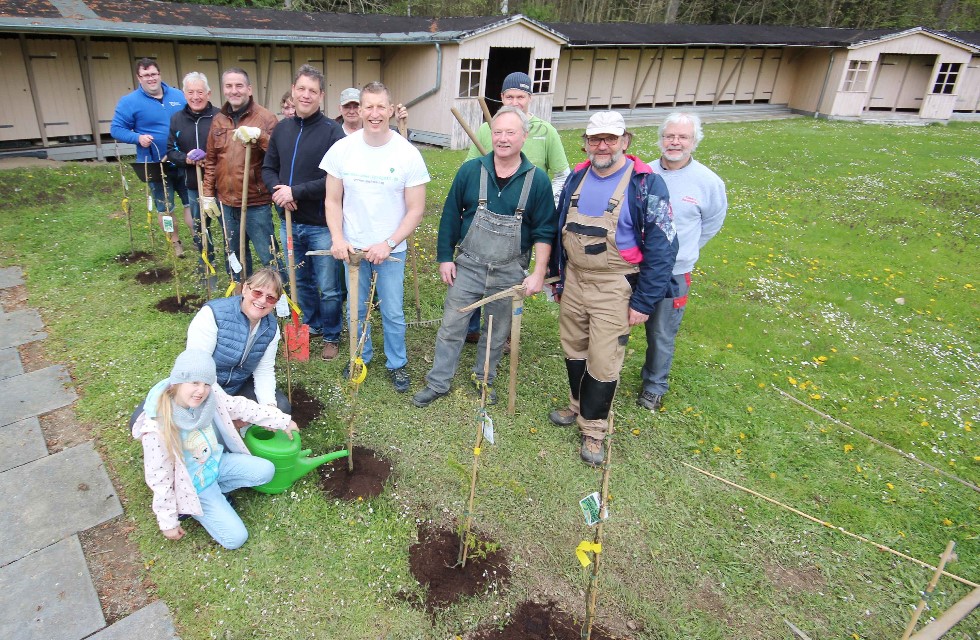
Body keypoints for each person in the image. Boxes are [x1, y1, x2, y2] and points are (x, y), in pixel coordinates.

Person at [548, 112, 677, 465]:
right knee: (573, 347)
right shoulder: (576, 176)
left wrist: (645, 300)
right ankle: (577, 407)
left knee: (604, 359)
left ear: (625, 141)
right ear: (586, 143)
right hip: (574, 278)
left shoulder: (645, 184)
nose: (602, 146)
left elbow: (664, 247)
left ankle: (593, 429)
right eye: (595, 139)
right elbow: (559, 227)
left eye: (610, 139)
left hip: (614, 285)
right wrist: (556, 276)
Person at [411, 107, 556, 408]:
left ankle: (483, 380)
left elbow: (544, 231)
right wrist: (444, 257)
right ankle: (438, 382)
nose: (503, 139)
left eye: (510, 132)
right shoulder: (471, 171)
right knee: (452, 325)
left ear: (524, 137)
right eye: (498, 132)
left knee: (495, 331)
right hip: (468, 266)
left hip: (509, 270)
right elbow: (451, 214)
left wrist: (539, 272)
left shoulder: (537, 181)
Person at [321, 82, 430, 393]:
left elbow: (416, 210)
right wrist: (338, 238)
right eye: (368, 106)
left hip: (390, 251)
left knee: (393, 310)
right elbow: (332, 200)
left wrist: (389, 243)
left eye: (381, 106)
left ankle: (397, 363)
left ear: (392, 109)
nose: (374, 113)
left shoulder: (407, 154)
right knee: (354, 308)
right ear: (360, 109)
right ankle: (360, 355)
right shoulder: (343, 149)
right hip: (352, 248)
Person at [131, 349, 299, 550]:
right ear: (176, 382)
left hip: (215, 463)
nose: (200, 390)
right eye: (194, 382)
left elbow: (242, 407)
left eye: (206, 384)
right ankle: (191, 506)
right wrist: (167, 521)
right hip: (194, 485)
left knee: (266, 471)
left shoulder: (210, 397)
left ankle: (218, 491)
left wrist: (282, 421)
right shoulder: (157, 427)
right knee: (236, 538)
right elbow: (159, 476)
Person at [463, 71, 570, 344]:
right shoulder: (489, 129)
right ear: (501, 98)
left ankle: (501, 331)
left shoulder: (545, 131)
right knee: (475, 267)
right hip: (488, 216)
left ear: (530, 98)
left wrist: (548, 202)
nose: (515, 102)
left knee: (511, 271)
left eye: (520, 97)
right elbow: (469, 167)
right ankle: (471, 325)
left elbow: (561, 174)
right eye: (509, 96)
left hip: (524, 219)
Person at [638, 112, 728, 411]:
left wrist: (683, 251)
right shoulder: (643, 173)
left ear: (694, 141)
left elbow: (712, 223)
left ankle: (654, 386)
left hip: (674, 274)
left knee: (662, 332)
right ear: (661, 138)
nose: (675, 142)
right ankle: (605, 377)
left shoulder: (708, 183)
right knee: (615, 326)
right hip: (634, 267)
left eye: (683, 137)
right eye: (669, 136)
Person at [262, 65, 346, 362]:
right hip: (289, 222)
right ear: (293, 91)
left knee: (328, 286)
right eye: (301, 89)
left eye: (313, 90)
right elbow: (268, 168)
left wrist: (295, 191)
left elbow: (334, 180)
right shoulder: (283, 129)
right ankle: (310, 325)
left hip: (321, 225)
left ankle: (333, 334)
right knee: (300, 281)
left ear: (321, 95)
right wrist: (278, 190)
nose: (306, 95)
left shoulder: (331, 133)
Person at [200, 68, 279, 282]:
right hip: (227, 203)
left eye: (239, 85)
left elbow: (279, 154)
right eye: (229, 86)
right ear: (223, 89)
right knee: (233, 254)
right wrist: (208, 194)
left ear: (249, 89)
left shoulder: (265, 118)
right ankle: (240, 294)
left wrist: (260, 136)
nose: (234, 91)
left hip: (256, 202)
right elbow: (211, 159)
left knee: (269, 256)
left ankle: (281, 301)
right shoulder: (218, 120)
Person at [186, 267, 292, 413]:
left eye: (270, 298)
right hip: (202, 386)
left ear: (276, 302)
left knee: (280, 408)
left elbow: (264, 370)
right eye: (257, 292)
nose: (262, 301)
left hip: (238, 386)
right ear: (244, 289)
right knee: (207, 419)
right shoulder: (213, 314)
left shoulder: (271, 328)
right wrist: (229, 406)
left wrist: (269, 408)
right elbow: (198, 368)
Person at [111, 57, 188, 256]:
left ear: (159, 74)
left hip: (182, 161)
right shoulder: (129, 102)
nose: (150, 78)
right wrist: (137, 137)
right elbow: (116, 129)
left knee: (192, 202)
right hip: (155, 164)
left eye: (153, 74)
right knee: (165, 208)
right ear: (139, 78)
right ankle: (175, 241)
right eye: (146, 75)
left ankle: (199, 237)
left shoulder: (178, 96)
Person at [168, 71, 219, 280]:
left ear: (208, 93)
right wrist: (187, 159)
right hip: (193, 183)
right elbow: (170, 150)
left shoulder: (219, 117)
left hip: (220, 184)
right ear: (184, 94)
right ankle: (207, 262)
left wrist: (212, 159)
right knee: (200, 226)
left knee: (227, 227)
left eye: (200, 91)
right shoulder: (177, 119)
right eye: (191, 92)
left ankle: (236, 266)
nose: (195, 96)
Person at [335, 86, 408, 136]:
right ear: (340, 108)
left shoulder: (376, 129)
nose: (351, 111)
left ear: (361, 109)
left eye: (355, 107)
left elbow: (402, 150)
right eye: (347, 107)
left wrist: (401, 125)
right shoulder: (331, 132)